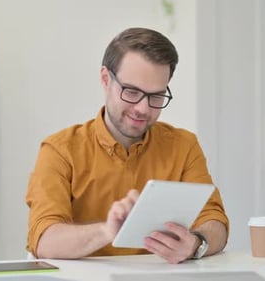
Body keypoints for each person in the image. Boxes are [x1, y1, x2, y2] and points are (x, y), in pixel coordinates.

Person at [25, 27, 229, 264]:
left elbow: (216, 223)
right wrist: (107, 231)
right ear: (105, 79)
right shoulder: (60, 150)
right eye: (131, 92)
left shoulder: (184, 146)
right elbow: (44, 240)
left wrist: (196, 243)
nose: (143, 109)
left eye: (156, 96)